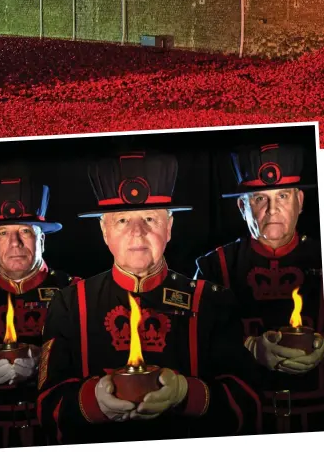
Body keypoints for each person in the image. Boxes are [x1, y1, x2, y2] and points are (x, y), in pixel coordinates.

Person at [37, 152, 263, 445]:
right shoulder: (68, 304)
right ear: (104, 231)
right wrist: (94, 402)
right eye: (122, 220)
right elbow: (45, 406)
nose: (137, 232)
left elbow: (248, 402)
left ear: (169, 227)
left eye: (149, 218)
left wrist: (185, 394)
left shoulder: (211, 302)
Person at [195, 143, 324, 434]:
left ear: (300, 201)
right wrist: (248, 348)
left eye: (283, 196)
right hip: (243, 424)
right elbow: (190, 348)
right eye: (259, 198)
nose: (273, 209)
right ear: (242, 207)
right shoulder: (214, 266)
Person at [0, 176, 80, 449]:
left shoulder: (76, 291)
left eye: (25, 231)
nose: (15, 243)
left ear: (42, 238)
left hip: (59, 434)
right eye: (3, 233)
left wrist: (47, 364)